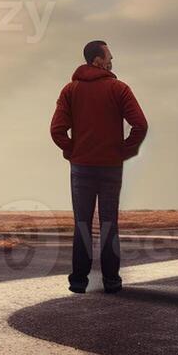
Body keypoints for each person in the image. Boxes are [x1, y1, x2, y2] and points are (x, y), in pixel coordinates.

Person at [49, 41, 148, 293]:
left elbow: (57, 130)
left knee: (82, 222)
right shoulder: (119, 89)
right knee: (108, 223)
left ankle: (79, 282)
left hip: (81, 167)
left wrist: (73, 151)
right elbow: (140, 125)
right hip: (111, 167)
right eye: (109, 55)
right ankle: (111, 281)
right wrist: (123, 151)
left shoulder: (70, 90)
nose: (112, 58)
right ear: (98, 61)